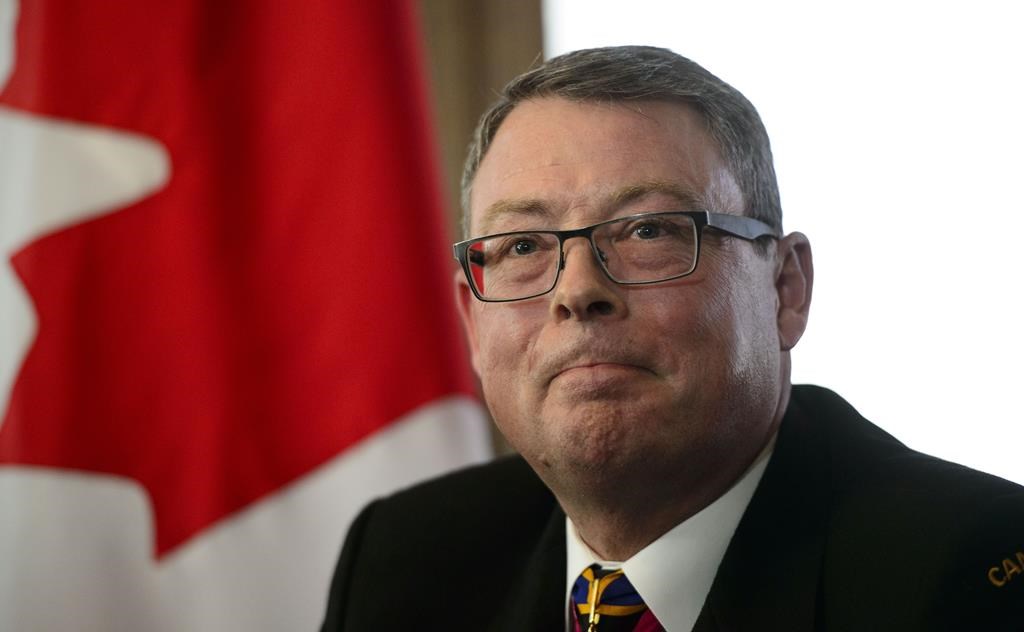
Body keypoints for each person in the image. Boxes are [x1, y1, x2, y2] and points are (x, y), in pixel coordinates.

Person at [321, 46, 1024, 631]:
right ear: (472, 321)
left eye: (648, 230)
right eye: (523, 245)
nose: (577, 291)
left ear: (785, 289)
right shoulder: (405, 561)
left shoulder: (966, 572)